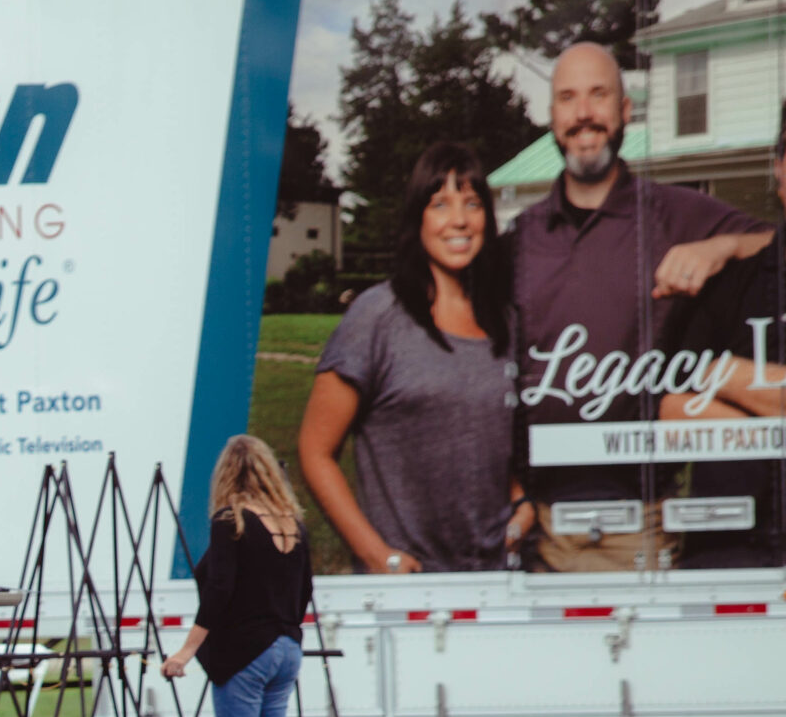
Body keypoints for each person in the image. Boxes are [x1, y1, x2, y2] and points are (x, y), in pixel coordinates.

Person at [509, 42, 772, 572]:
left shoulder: (677, 216)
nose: (584, 113)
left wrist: (718, 247)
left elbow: (773, 241)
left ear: (626, 110)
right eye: (568, 98)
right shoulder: (519, 239)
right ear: (553, 117)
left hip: (642, 519)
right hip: (537, 520)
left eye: (599, 94)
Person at [300, 143, 518, 573]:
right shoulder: (378, 315)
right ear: (418, 217)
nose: (459, 220)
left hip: (496, 581)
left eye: (472, 203)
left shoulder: (506, 319)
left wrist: (520, 503)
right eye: (440, 204)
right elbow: (314, 449)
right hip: (408, 590)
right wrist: (376, 554)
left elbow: (500, 439)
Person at [162, 436, 313, 717]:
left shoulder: (232, 521)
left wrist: (185, 652)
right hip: (286, 647)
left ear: (227, 474)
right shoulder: (292, 524)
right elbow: (305, 591)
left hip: (245, 652)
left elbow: (219, 592)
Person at [657, 111, 786, 572]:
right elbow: (672, 408)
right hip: (727, 549)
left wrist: (727, 375)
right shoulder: (730, 283)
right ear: (780, 170)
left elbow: (702, 378)